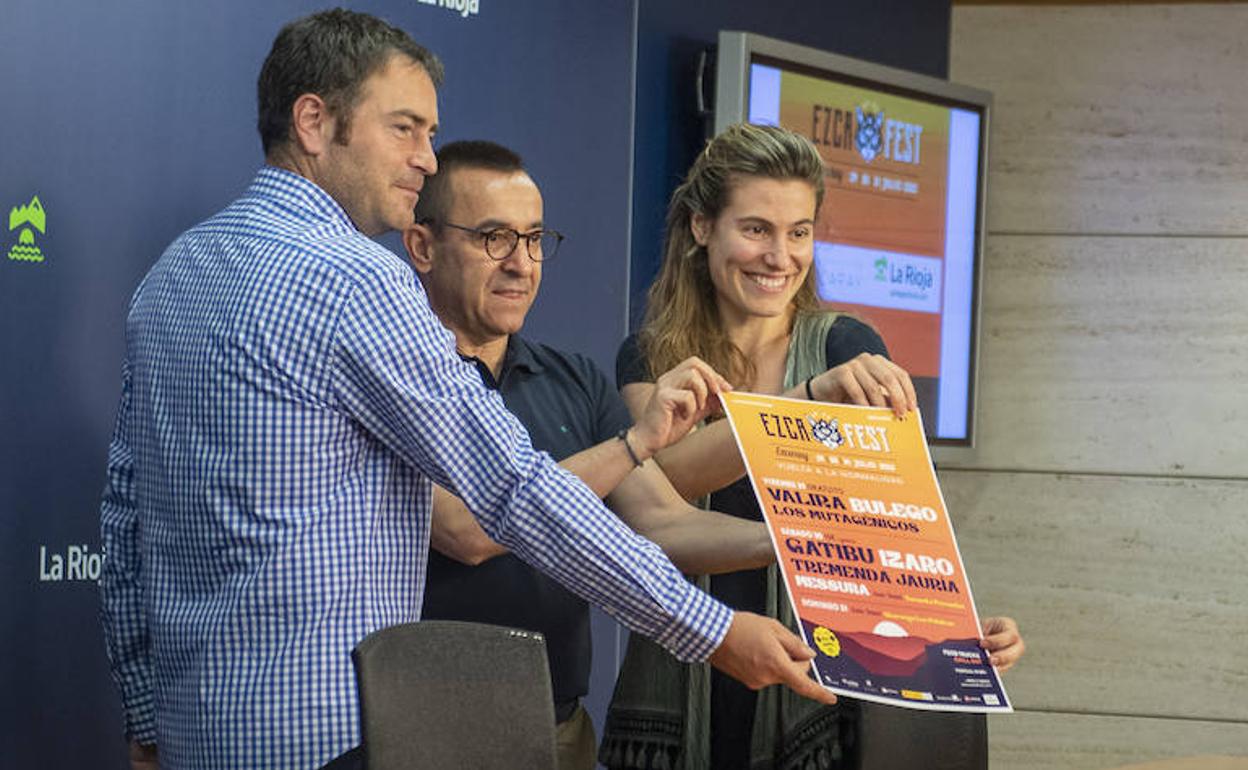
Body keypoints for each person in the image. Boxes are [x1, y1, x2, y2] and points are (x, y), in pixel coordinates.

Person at [96, 14, 834, 770]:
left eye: (429, 133)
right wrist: (710, 629)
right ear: (313, 122)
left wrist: (145, 713)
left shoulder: (173, 274)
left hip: (199, 733)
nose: (423, 159)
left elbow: (125, 515)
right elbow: (512, 490)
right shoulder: (358, 280)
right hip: (332, 738)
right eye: (404, 128)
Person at [599, 123, 1025, 770]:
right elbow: (660, 486)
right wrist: (806, 401)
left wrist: (956, 631)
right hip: (686, 673)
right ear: (701, 227)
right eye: (756, 229)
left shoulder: (846, 347)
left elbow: (889, 525)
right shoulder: (649, 355)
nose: (780, 257)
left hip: (819, 688)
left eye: (799, 232)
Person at [404, 139, 786, 770]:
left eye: (534, 240)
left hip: (558, 725)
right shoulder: (399, 379)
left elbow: (662, 522)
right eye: (494, 238)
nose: (521, 265)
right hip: (426, 727)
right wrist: (632, 445)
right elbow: (468, 530)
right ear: (423, 246)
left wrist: (801, 548)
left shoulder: (575, 380)